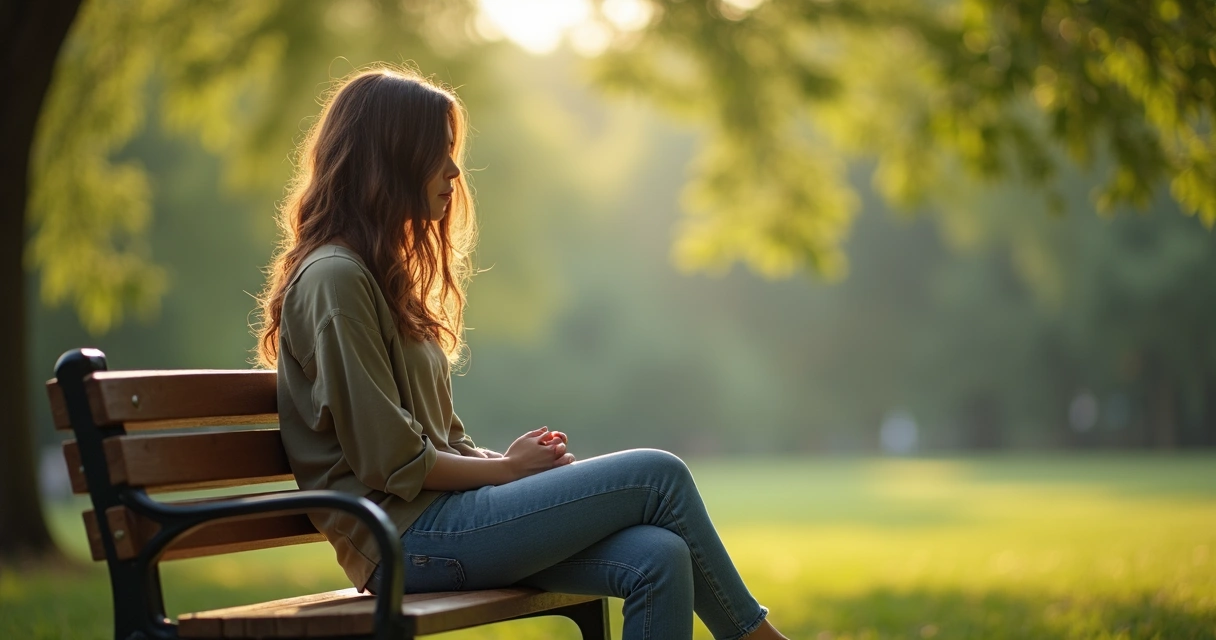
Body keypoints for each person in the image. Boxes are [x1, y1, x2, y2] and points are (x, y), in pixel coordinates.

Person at [254, 66, 790, 640]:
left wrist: (505, 468)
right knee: (660, 475)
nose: (454, 171)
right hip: (403, 540)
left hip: (437, 524)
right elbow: (389, 460)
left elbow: (434, 441)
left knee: (658, 556)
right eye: (437, 152)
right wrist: (508, 471)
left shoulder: (378, 278)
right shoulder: (335, 279)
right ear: (390, 158)